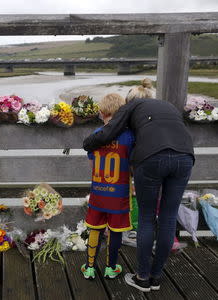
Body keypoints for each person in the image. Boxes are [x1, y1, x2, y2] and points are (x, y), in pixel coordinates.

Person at [83, 79, 194, 292]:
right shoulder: (166, 105)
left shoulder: (132, 106)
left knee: (146, 217)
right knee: (168, 217)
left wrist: (87, 143)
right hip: (185, 157)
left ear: (129, 102)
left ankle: (142, 277)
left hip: (152, 158)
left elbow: (108, 131)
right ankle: (157, 276)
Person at [81, 93, 134, 280]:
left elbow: (92, 165)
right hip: (118, 194)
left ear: (102, 113)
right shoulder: (129, 136)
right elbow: (133, 165)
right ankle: (111, 268)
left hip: (98, 191)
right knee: (115, 230)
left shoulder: (96, 135)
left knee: (95, 227)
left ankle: (89, 267)